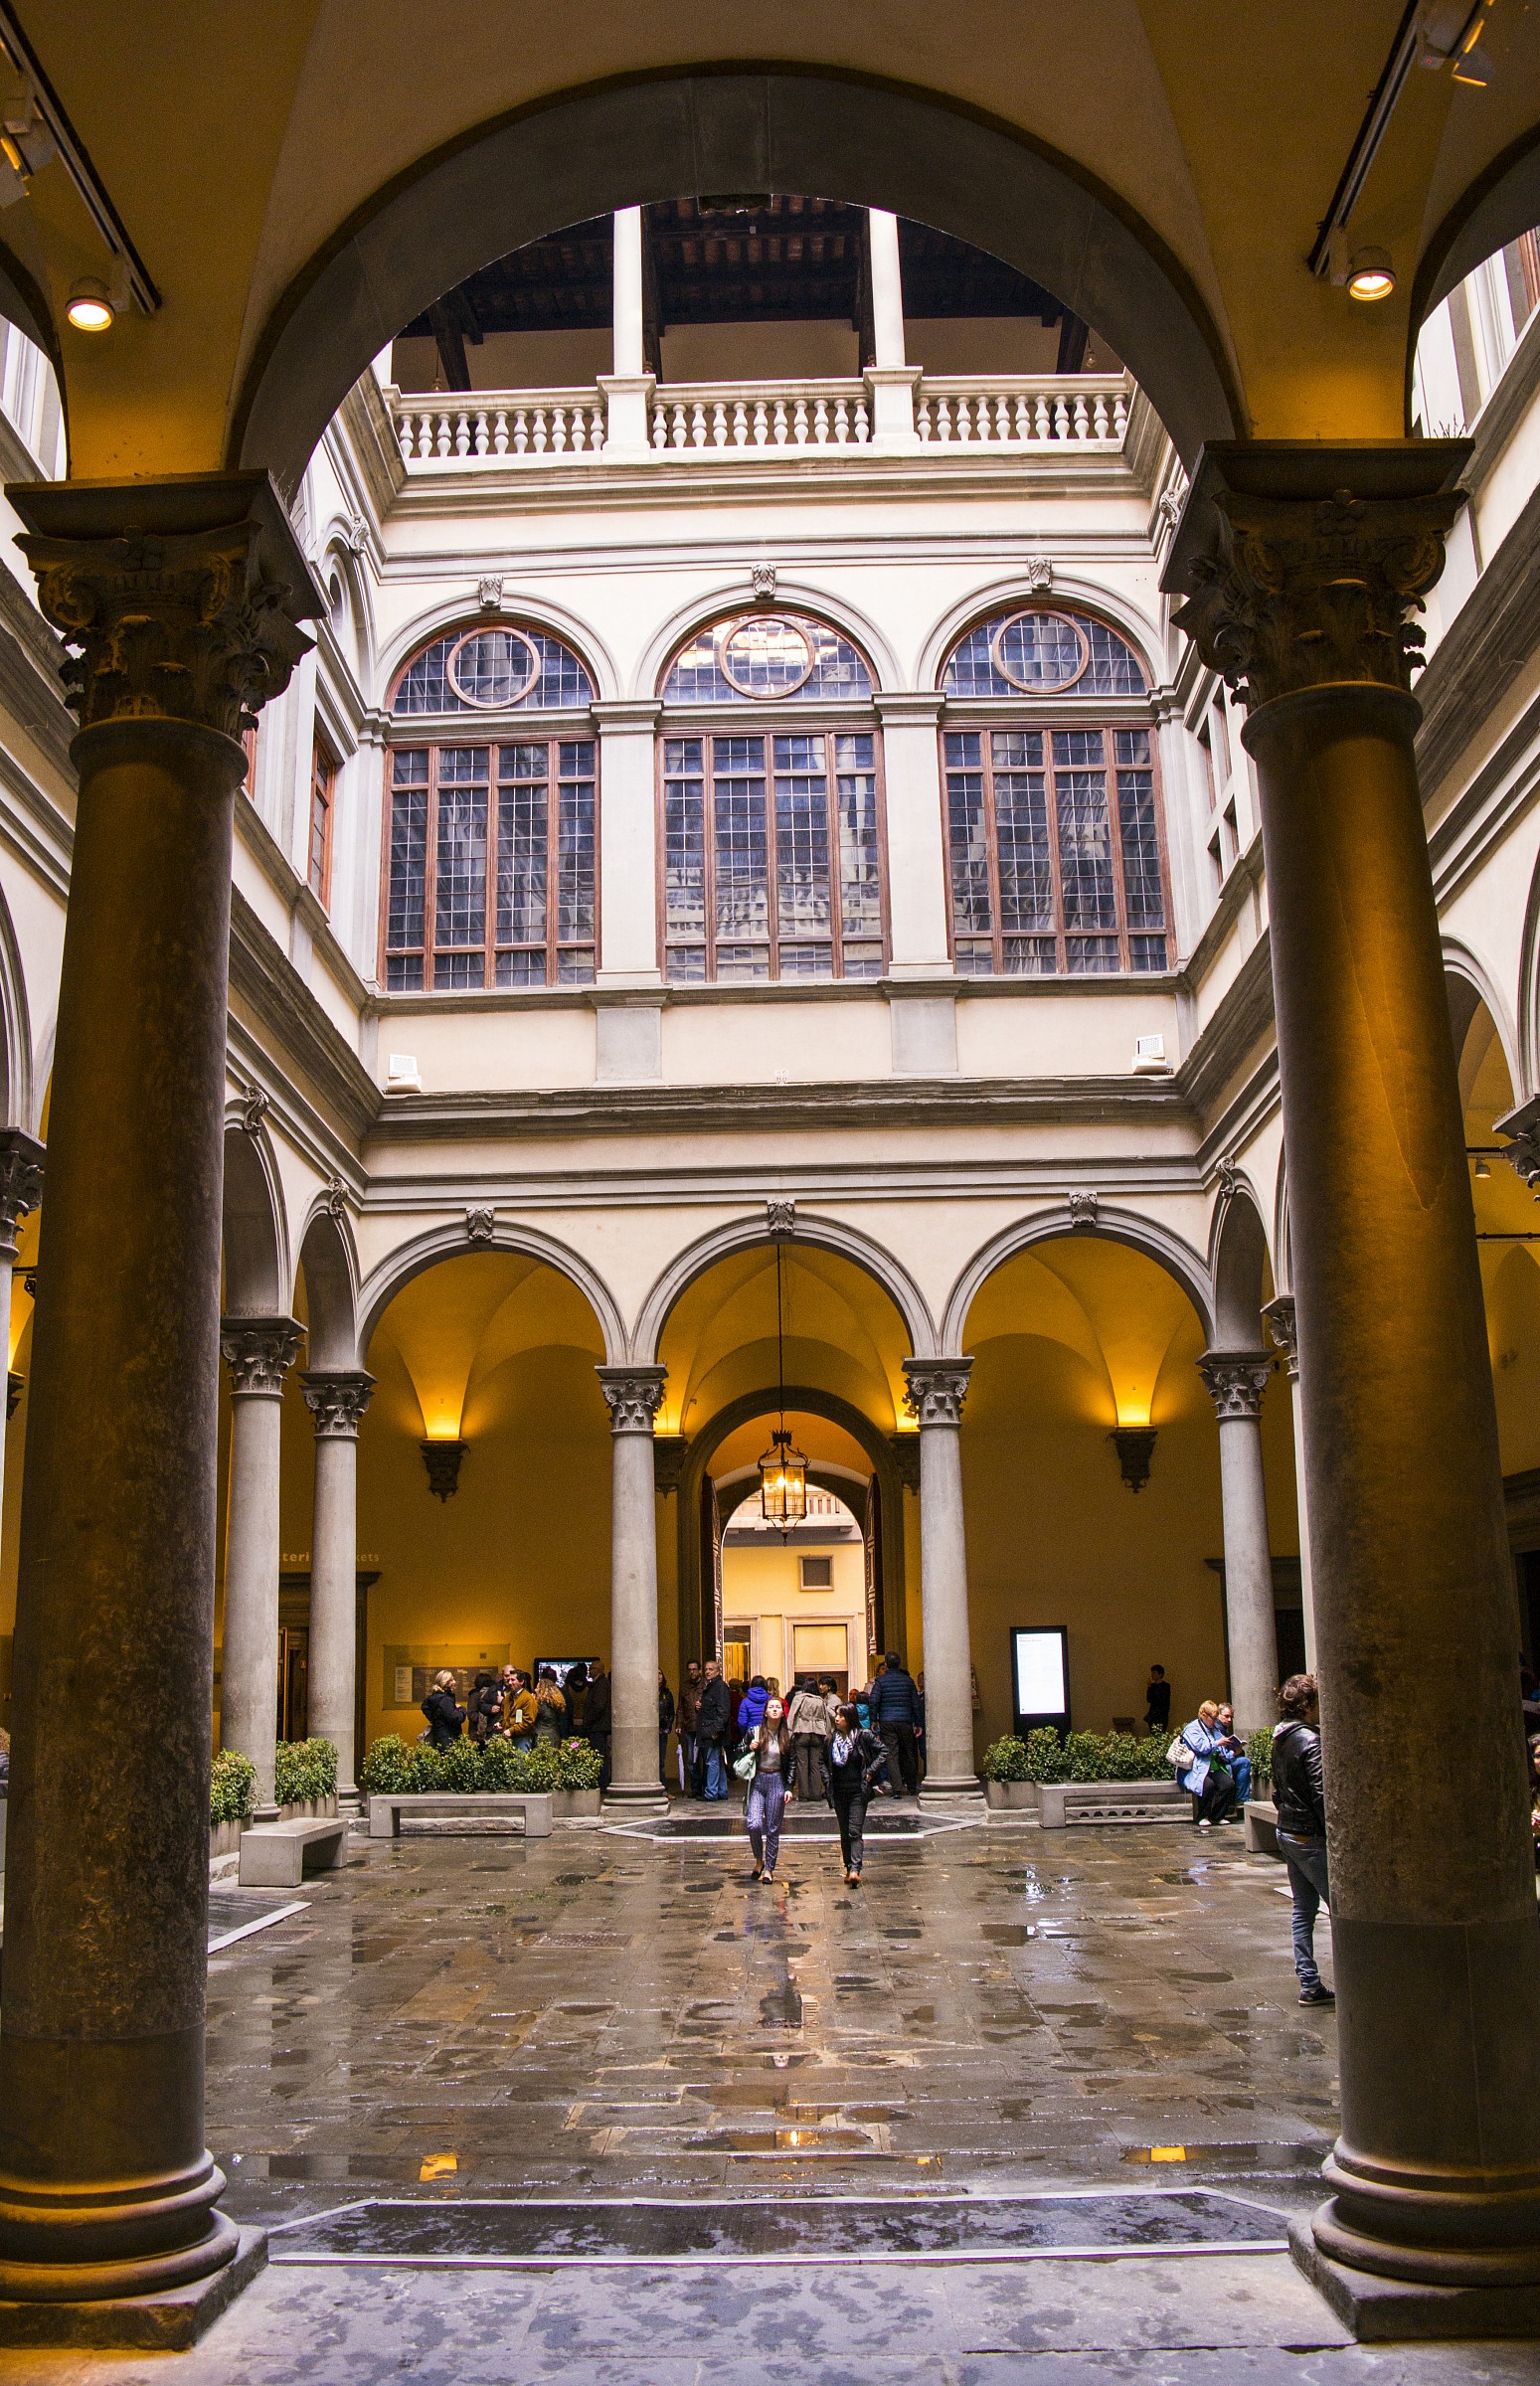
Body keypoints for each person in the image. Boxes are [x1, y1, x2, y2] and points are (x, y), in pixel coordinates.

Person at [1272, 1672, 1334, 2006]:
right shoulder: (1310, 1741)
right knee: (1340, 1908)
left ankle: (1309, 1982)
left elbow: (1278, 1791)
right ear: (1308, 1704)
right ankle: (1361, 1981)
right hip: (1309, 1835)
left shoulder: (1280, 1738)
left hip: (1287, 1830)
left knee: (1303, 1909)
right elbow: (1322, 1792)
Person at [826, 1702, 884, 1886]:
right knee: (844, 1831)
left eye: (841, 1716)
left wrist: (871, 1771)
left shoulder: (863, 1735)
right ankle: (848, 1865)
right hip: (839, 1791)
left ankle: (855, 1869)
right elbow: (822, 1761)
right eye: (836, 1715)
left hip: (859, 1790)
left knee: (854, 1830)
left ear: (850, 1718)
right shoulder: (830, 1739)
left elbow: (883, 1750)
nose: (837, 1718)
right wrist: (826, 1779)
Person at [744, 1693, 794, 1884]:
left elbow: (792, 1764)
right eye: (771, 1707)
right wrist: (749, 1747)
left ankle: (769, 1869)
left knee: (773, 1828)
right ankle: (759, 1860)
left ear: (782, 1712)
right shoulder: (755, 1732)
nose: (774, 1709)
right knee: (753, 1823)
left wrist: (789, 1787)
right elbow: (737, 1752)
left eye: (778, 1707)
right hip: (758, 1780)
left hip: (776, 1781)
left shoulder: (788, 1736)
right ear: (765, 1712)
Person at [871, 1649, 921, 1797]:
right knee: (908, 1752)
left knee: (891, 1754)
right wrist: (918, 1722)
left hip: (887, 1721)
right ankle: (911, 1786)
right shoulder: (908, 1680)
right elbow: (915, 1703)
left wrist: (874, 1719)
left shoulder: (881, 1681)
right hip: (905, 1721)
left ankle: (897, 1788)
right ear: (899, 1664)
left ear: (886, 1664)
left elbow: (874, 1701)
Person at [1174, 1699, 1232, 1828]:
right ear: (1203, 1715)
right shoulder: (1192, 1728)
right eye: (1213, 1718)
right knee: (1208, 1785)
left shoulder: (1214, 1728)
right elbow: (1201, 1749)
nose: (1215, 1721)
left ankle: (1217, 1816)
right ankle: (1203, 1816)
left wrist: (1233, 1751)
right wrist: (1217, 1743)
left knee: (1227, 1784)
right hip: (1195, 1768)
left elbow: (1222, 1751)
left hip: (1212, 1766)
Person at [787, 1674, 834, 1800]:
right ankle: (816, 1794)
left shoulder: (799, 1698)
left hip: (802, 1732)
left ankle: (804, 1795)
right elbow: (826, 1719)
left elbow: (792, 1716)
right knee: (815, 1764)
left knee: (802, 1764)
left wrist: (789, 1732)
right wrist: (828, 1733)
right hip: (818, 1733)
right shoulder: (820, 1701)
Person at [697, 1657, 732, 1799]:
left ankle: (711, 1792)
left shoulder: (719, 1687)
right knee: (717, 1761)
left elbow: (723, 1711)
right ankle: (721, 1791)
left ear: (717, 1672)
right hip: (710, 1730)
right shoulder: (710, 1686)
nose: (707, 1672)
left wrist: (715, 1731)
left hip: (713, 1731)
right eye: (706, 1669)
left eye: (711, 1669)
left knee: (712, 1761)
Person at [1213, 1703, 1252, 1810]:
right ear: (1218, 1715)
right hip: (1220, 1764)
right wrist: (1234, 1753)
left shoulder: (1221, 1728)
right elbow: (1220, 1754)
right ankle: (1242, 1798)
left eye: (1231, 1717)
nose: (1229, 1720)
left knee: (1243, 1761)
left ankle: (1241, 1797)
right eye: (1226, 1716)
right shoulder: (1217, 1729)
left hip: (1225, 1762)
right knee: (1245, 1762)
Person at [583, 1657, 612, 1789]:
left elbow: (598, 1706)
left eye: (592, 1668)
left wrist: (588, 1721)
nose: (589, 1670)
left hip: (598, 1726)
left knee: (599, 1754)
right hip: (598, 1725)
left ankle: (602, 1782)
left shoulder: (601, 1684)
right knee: (599, 1754)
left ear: (599, 1670)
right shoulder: (599, 1683)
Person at [676, 1658, 703, 1795]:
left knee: (705, 1760)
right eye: (690, 1669)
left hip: (703, 1727)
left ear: (699, 1670)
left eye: (694, 1669)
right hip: (689, 1727)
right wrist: (679, 1724)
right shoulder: (684, 1686)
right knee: (691, 1760)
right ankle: (695, 1788)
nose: (692, 1672)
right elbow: (680, 1708)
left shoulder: (705, 1685)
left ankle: (706, 1787)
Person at [421, 1669, 465, 1749]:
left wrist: (433, 1718)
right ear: (446, 1683)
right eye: (452, 1680)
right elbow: (455, 1718)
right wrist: (462, 1709)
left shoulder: (435, 1698)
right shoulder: (446, 1700)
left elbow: (424, 1706)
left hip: (439, 1735)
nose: (454, 1682)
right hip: (448, 1738)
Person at [503, 1668, 538, 1752]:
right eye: (508, 1680)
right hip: (508, 1738)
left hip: (522, 1738)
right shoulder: (508, 1697)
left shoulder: (528, 1699)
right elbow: (504, 1715)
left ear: (521, 1682)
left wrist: (511, 1730)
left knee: (520, 1763)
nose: (510, 1683)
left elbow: (528, 1722)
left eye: (513, 1680)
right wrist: (501, 1723)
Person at [466, 1669, 502, 1748]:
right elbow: (471, 1714)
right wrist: (484, 1718)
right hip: (477, 1732)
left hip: (485, 1731)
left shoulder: (490, 1694)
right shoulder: (475, 1695)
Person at [533, 1665, 566, 1747]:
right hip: (555, 1736)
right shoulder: (557, 1704)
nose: (535, 1690)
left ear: (541, 1690)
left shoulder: (540, 1706)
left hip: (542, 1738)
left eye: (537, 1688)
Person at [737, 1673, 770, 1745]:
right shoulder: (770, 1699)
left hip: (751, 1733)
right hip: (768, 1733)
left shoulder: (745, 1701)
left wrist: (745, 1734)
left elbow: (742, 1722)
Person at [658, 1669, 675, 1788]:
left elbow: (671, 1712)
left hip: (662, 1730)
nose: (657, 1676)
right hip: (648, 1731)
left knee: (661, 1761)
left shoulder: (667, 1693)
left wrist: (667, 1727)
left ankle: (663, 1786)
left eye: (659, 1673)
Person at [1144, 1664, 1172, 1734]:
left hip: (1162, 1715)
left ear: (1160, 1674)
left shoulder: (1166, 1686)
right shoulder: (1152, 1686)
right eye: (1152, 1673)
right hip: (1153, 1715)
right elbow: (1149, 1699)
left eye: (1154, 1673)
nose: (1152, 1675)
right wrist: (1149, 1688)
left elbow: (1162, 1699)